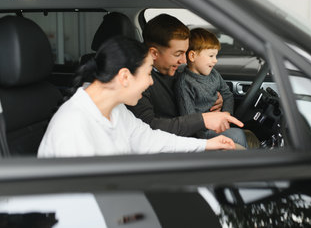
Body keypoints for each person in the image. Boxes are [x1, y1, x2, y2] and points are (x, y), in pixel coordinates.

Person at [37, 36, 235, 158]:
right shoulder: (73, 126)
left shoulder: (115, 110)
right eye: (149, 73)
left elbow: (150, 140)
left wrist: (208, 144)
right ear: (124, 76)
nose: (150, 82)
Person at [127, 14, 247, 145]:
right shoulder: (139, 83)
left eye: (185, 53)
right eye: (178, 54)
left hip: (191, 137)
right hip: (175, 143)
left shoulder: (178, 71)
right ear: (154, 53)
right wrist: (203, 120)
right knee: (238, 138)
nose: (184, 60)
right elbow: (148, 126)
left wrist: (215, 99)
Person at [175, 28, 247, 147]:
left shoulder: (214, 74)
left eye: (215, 56)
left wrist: (226, 114)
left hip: (219, 123)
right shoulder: (185, 84)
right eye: (211, 56)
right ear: (192, 56)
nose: (215, 61)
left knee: (242, 133)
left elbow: (227, 94)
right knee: (238, 135)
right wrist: (205, 142)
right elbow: (189, 120)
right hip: (203, 132)